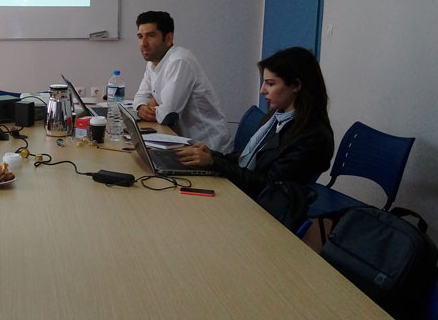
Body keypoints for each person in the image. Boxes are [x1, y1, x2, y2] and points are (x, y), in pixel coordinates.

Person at [175, 46, 335, 198]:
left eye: (270, 84)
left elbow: (269, 185)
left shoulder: (312, 137)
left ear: (295, 85)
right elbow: (249, 160)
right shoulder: (277, 119)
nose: (262, 90)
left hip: (265, 207)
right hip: (248, 194)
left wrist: (214, 163)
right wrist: (211, 155)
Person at [132, 11, 230, 151]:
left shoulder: (179, 61)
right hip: (181, 142)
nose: (143, 43)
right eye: (140, 36)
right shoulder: (152, 63)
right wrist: (141, 107)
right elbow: (140, 96)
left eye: (151, 35)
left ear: (168, 38)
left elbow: (167, 115)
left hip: (207, 148)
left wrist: (153, 108)